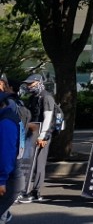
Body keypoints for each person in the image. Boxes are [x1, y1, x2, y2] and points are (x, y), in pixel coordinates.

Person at [18, 74, 54, 204]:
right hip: (32, 134)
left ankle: (35, 192)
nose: (29, 86)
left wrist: (43, 136)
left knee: (39, 163)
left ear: (39, 82)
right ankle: (24, 190)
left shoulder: (46, 97)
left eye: (31, 83)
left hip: (42, 135)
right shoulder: (34, 97)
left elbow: (48, 118)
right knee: (29, 162)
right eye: (27, 84)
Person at [0, 91, 24, 223]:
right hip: (12, 175)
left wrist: (1, 180)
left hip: (8, 178)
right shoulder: (11, 117)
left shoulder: (5, 123)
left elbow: (6, 154)